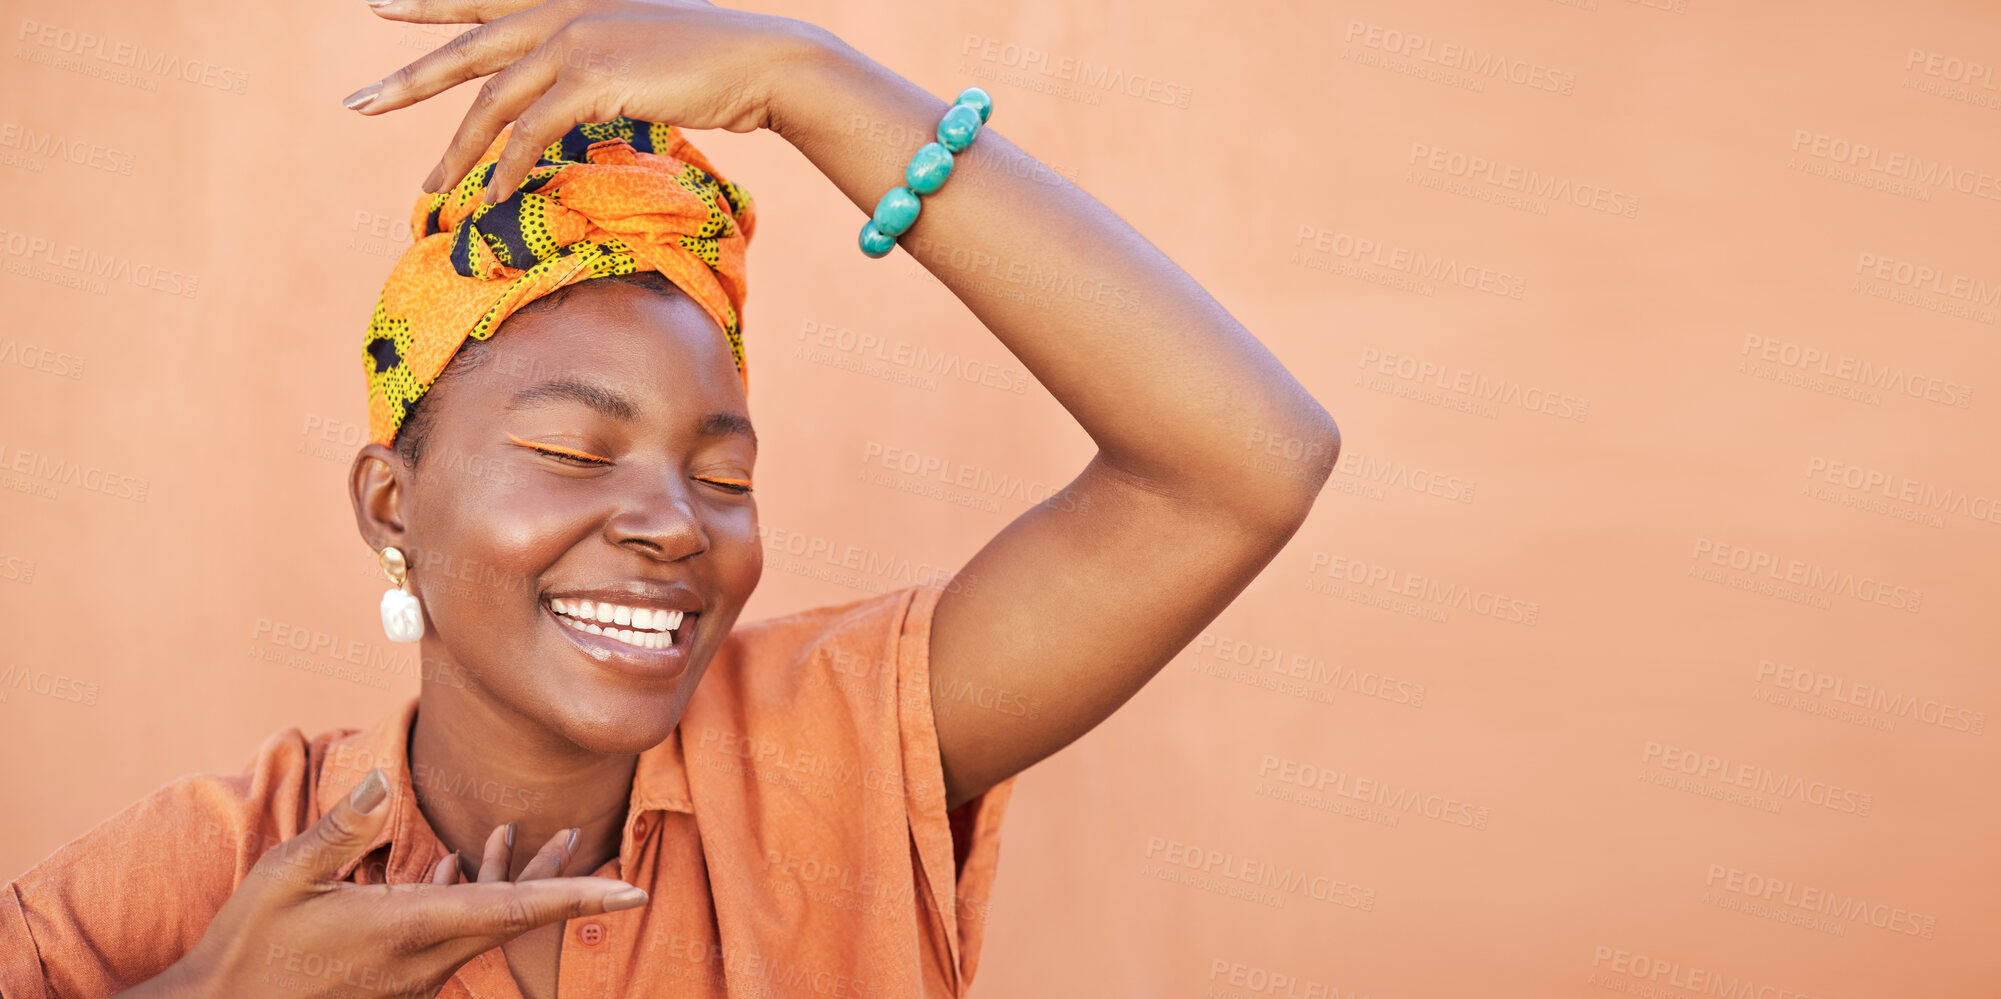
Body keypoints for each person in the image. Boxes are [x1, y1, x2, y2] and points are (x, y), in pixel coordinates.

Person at [0, 1, 1340, 997]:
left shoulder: (837, 763)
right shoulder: (216, 866)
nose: (674, 523)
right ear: (389, 505)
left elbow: (1242, 463)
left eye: (724, 474)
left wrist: (800, 78)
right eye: (576, 456)